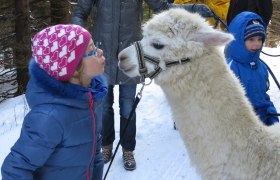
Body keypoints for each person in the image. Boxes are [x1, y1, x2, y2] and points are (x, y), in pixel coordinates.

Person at [71, 0, 214, 171]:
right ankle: (106, 145)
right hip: (102, 56)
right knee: (104, 107)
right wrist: (84, 43)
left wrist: (193, 10)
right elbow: (80, 13)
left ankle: (128, 149)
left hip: (130, 57)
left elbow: (164, 9)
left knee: (127, 107)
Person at [1, 24, 108, 180]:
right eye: (91, 50)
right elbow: (15, 169)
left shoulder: (91, 99)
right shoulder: (50, 118)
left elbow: (94, 152)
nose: (100, 52)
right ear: (73, 69)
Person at [227, 11, 279, 126]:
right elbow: (227, 103)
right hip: (241, 126)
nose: (256, 44)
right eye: (251, 39)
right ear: (239, 40)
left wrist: (271, 114)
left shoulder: (261, 66)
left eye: (260, 39)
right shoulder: (231, 68)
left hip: (261, 123)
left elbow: (263, 96)